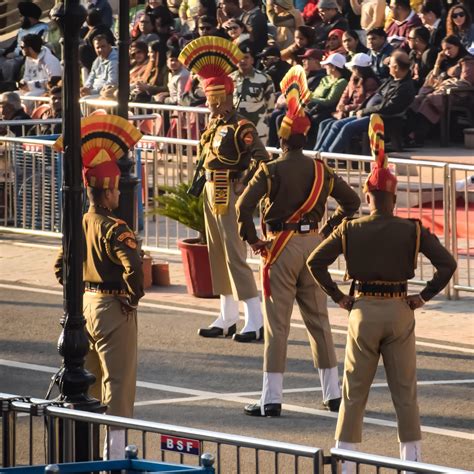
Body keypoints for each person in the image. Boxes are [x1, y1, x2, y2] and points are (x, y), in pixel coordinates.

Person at [307, 114, 457, 468]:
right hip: (400, 308)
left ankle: (346, 460)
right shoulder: (412, 229)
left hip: (362, 310)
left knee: (353, 391)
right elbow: (448, 265)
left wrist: (339, 297)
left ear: (367, 194)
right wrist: (423, 297)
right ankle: (412, 460)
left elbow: (315, 262)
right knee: (405, 392)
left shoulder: (350, 228)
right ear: (394, 194)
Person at [236, 65, 361, 417]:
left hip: (280, 246)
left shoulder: (271, 170)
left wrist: (254, 240)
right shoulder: (321, 169)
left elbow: (243, 207)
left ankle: (271, 399)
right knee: (319, 322)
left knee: (278, 326)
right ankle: (333, 394)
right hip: (314, 245)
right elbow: (352, 203)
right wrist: (327, 231)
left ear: (282, 139)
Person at [53, 115, 144, 460]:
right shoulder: (114, 227)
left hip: (85, 305)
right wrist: (132, 297)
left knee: (85, 384)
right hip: (111, 306)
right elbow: (133, 266)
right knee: (118, 385)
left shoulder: (79, 221)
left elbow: (61, 266)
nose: (120, 193)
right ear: (106, 190)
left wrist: (76, 292)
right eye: (117, 188)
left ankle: (84, 453)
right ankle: (115, 456)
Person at [179, 36, 267, 342]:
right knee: (216, 253)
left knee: (234, 254)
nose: (210, 103)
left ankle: (254, 319)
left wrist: (243, 184)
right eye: (208, 97)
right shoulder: (214, 125)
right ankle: (228, 315)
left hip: (228, 190)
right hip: (209, 189)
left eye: (215, 98)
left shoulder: (242, 126)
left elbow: (261, 160)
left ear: (227, 96)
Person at [317, 51, 415, 153]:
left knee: (348, 128)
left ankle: (329, 157)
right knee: (336, 125)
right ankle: (319, 152)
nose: (388, 66)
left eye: (390, 64)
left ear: (396, 68)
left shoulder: (405, 87)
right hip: (370, 113)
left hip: (382, 118)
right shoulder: (393, 79)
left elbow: (388, 107)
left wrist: (364, 111)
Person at [409, 35, 474, 144]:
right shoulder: (446, 61)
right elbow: (432, 80)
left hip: (459, 94)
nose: (447, 52)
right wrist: (438, 62)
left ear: (457, 46)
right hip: (441, 91)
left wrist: (444, 86)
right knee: (416, 100)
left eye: (449, 48)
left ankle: (418, 137)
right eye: (444, 50)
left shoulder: (467, 60)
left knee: (429, 100)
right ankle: (410, 134)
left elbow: (466, 82)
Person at [314, 52, 379, 150]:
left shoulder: (370, 82)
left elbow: (367, 102)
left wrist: (347, 108)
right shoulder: (353, 79)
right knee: (324, 123)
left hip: (357, 113)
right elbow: (344, 95)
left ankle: (329, 154)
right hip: (346, 112)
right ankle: (318, 151)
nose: (351, 70)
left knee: (337, 125)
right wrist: (341, 107)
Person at [230, 42, 275, 144]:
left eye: (246, 57)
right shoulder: (229, 79)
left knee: (259, 156)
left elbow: (270, 103)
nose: (242, 61)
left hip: (258, 126)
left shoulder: (264, 79)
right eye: (239, 57)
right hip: (236, 125)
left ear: (252, 60)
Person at [0, 1, 49, 85]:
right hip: (14, 55)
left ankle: (7, 86)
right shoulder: (21, 30)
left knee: (10, 64)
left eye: (21, 16)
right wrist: (5, 52)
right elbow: (14, 45)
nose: (20, 19)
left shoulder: (42, 28)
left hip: (24, 56)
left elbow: (35, 47)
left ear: (30, 17)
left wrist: (15, 53)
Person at [17, 34, 62, 106]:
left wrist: (30, 85)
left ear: (30, 49)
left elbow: (54, 82)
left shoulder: (50, 60)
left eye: (22, 47)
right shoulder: (28, 59)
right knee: (11, 96)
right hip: (30, 89)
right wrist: (23, 82)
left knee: (27, 98)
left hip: (45, 91)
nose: (20, 49)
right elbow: (27, 76)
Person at [407, 26, 438, 90]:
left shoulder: (430, 54)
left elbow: (427, 77)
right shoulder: (413, 53)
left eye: (409, 38)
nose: (407, 40)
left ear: (417, 40)